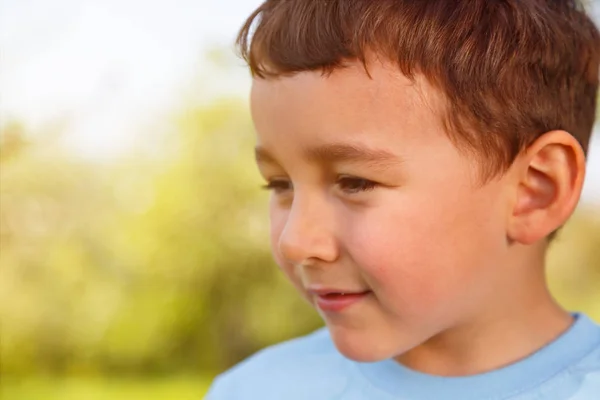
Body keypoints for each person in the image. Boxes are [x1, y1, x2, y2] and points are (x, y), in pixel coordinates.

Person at [206, 1, 600, 399]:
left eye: (354, 182)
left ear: (536, 191)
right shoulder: (252, 390)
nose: (295, 243)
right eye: (280, 185)